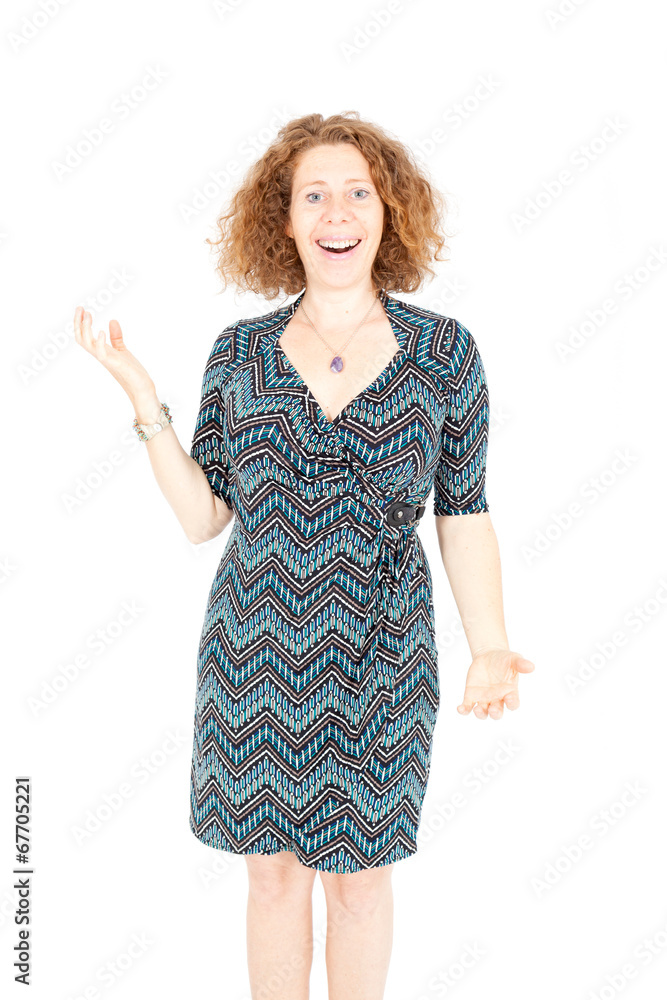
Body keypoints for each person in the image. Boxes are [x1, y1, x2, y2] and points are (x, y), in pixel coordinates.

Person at [74, 111, 535, 1000]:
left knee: (359, 883)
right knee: (272, 878)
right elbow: (204, 517)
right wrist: (142, 396)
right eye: (313, 195)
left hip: (382, 651)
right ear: (282, 221)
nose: (337, 213)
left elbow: (464, 510)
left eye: (358, 192)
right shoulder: (240, 354)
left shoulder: (444, 352)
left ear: (388, 213)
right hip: (254, 651)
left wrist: (489, 646)